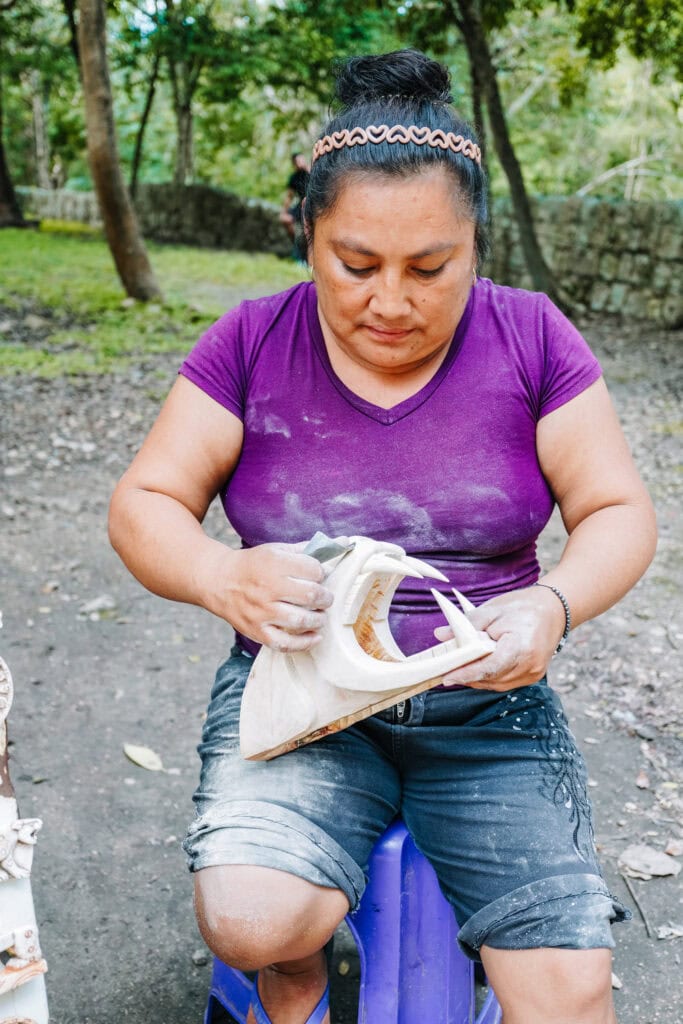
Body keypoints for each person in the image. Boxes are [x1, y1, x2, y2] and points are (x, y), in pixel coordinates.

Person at [109, 49, 657, 1024]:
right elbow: (145, 499)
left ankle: (478, 956)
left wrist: (549, 602)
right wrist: (216, 571)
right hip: (299, 686)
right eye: (355, 264)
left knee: (569, 998)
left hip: (486, 707)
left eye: (430, 267)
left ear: (475, 246)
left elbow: (617, 511)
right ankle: (295, 975)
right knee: (250, 916)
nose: (390, 301)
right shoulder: (249, 341)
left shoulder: (530, 337)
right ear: (306, 237)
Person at [279, 152, 310, 256]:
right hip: (301, 205)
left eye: (301, 160)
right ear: (294, 164)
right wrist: (283, 212)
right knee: (285, 219)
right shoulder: (294, 177)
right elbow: (289, 196)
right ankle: (296, 246)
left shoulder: (314, 171)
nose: (300, 163)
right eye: (297, 161)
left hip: (314, 203)